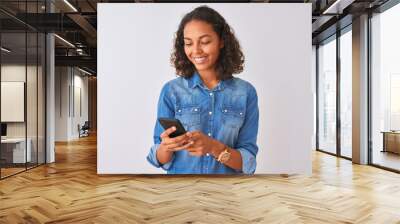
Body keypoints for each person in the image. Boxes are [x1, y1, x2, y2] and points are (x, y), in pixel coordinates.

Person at [146, 5, 259, 174]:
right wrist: (166, 148)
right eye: (188, 43)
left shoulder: (245, 93)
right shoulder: (171, 91)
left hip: (227, 195)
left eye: (205, 42)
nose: (196, 51)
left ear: (221, 41)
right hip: (181, 192)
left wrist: (214, 147)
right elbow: (158, 158)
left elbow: (248, 162)